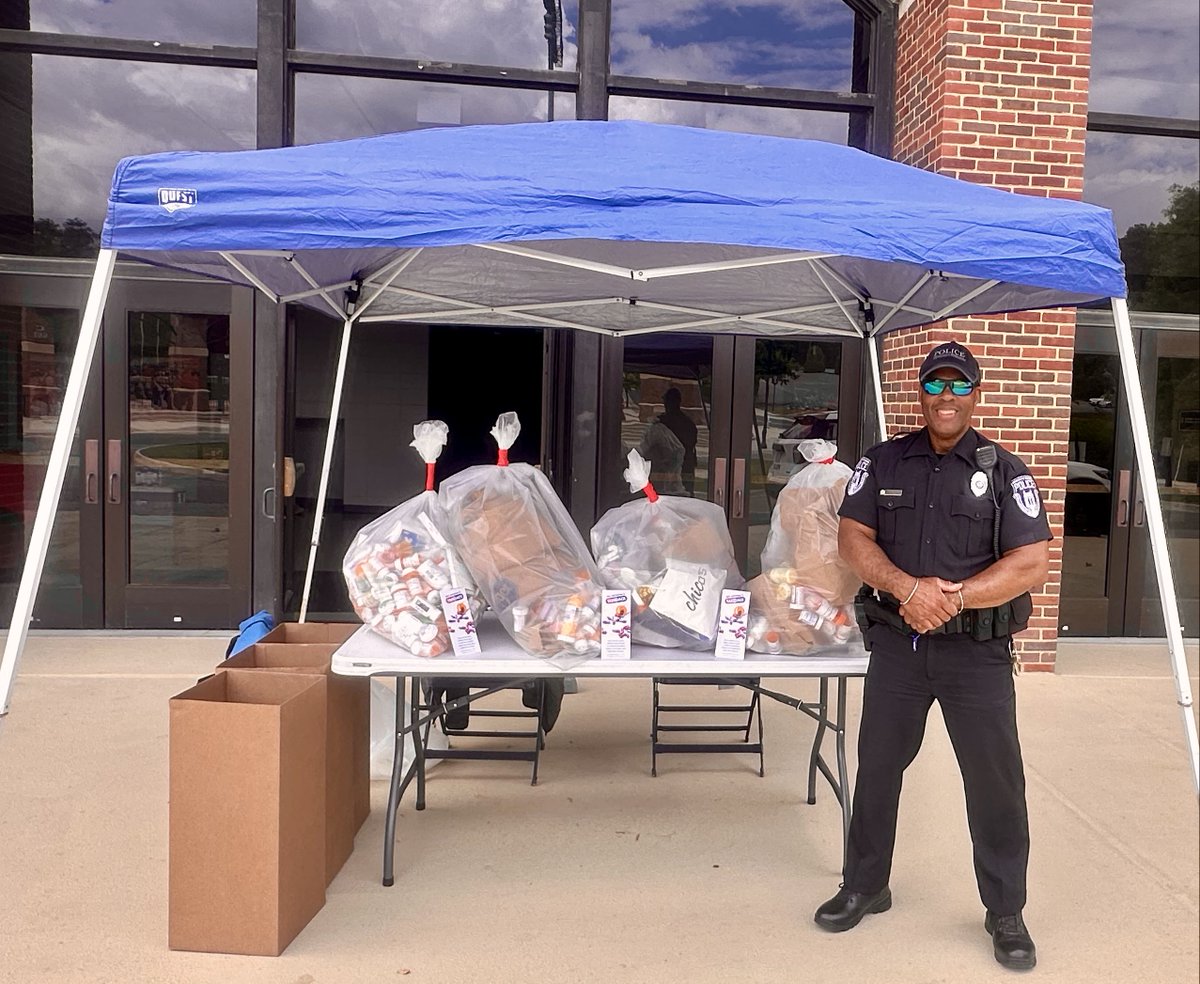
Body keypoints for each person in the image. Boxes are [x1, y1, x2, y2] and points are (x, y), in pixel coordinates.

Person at [814, 341, 1050, 972]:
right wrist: (906, 589)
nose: (947, 396)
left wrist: (954, 599)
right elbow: (852, 539)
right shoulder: (883, 461)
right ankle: (866, 885)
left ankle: (1006, 911)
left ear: (976, 394)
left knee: (995, 783)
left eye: (959, 385)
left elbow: (1031, 562)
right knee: (877, 768)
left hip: (977, 655)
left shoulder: (1006, 472)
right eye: (936, 384)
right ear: (920, 392)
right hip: (899, 648)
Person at [658, 387, 698, 495]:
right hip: (683, 466)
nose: (665, 404)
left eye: (667, 401)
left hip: (678, 467)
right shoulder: (688, 423)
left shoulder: (664, 423)